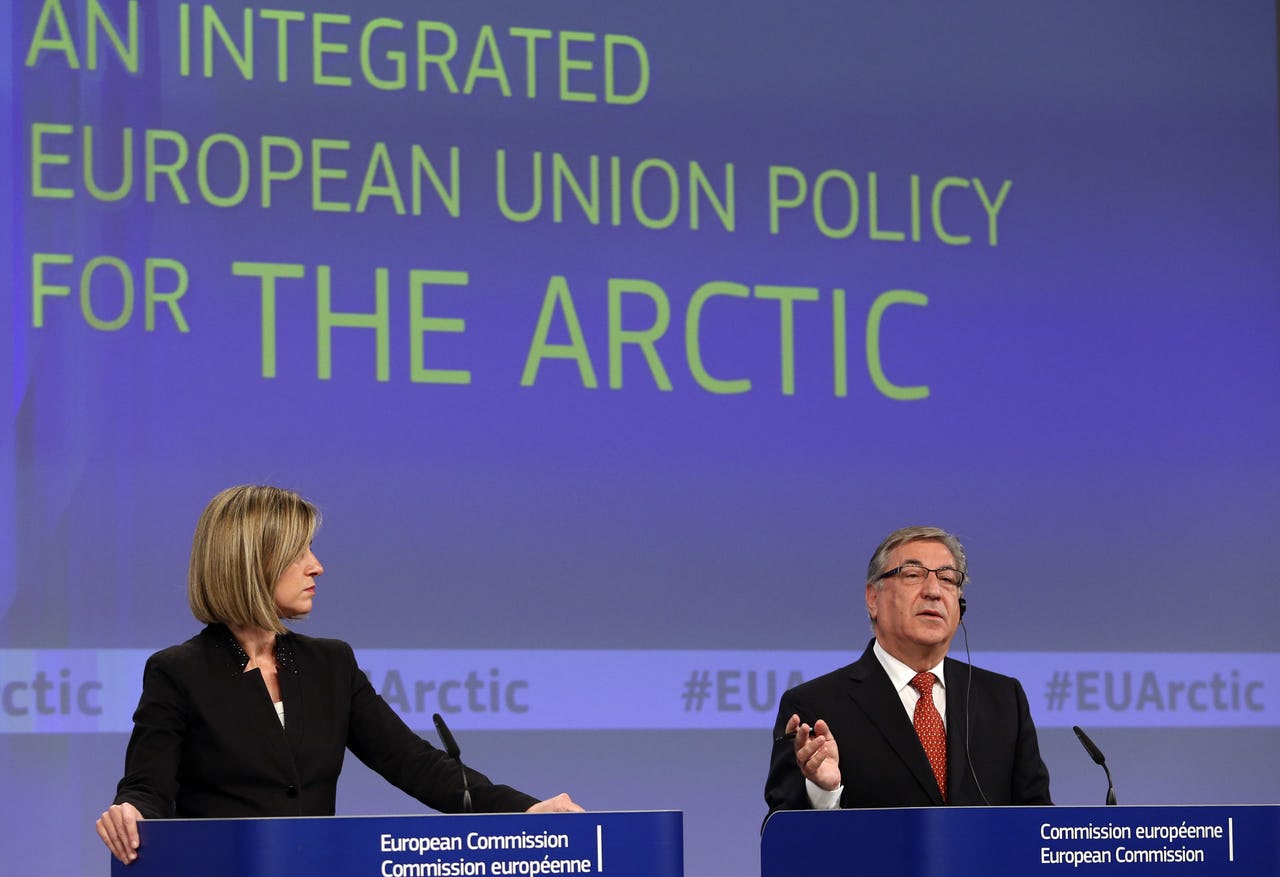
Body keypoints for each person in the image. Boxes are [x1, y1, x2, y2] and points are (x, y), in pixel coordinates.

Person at [96, 485, 581, 865]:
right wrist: (131, 813)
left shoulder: (330, 663)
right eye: (300, 551)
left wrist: (524, 813)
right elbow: (147, 789)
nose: (317, 566)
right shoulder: (178, 672)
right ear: (252, 561)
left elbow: (415, 764)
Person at [764, 526, 1051, 814]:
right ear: (873, 598)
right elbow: (783, 839)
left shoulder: (1003, 699)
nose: (934, 592)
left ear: (960, 604)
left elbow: (1040, 825)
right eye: (913, 575)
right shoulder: (814, 706)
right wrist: (823, 793)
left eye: (947, 578)